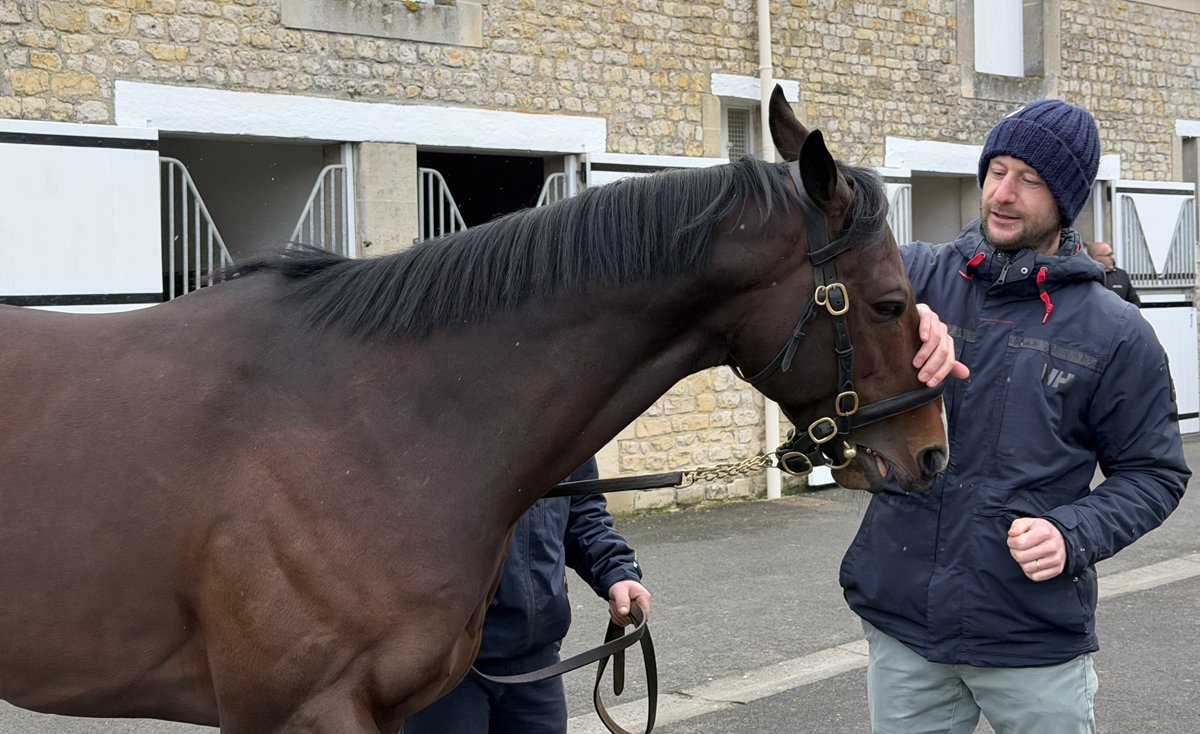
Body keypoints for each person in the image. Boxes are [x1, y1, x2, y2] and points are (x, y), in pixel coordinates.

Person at [840, 99, 1190, 734]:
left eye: (1029, 179)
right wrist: (904, 319)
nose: (1002, 193)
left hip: (1030, 636)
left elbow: (1154, 473)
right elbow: (821, 319)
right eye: (996, 171)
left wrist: (1072, 533)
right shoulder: (912, 276)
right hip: (905, 626)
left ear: (1066, 199)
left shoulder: (1116, 331)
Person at [404, 457, 650, 734]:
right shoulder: (427, 431)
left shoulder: (561, 432)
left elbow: (583, 512)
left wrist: (617, 572)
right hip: (446, 667)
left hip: (537, 662)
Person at [1086, 239, 1141, 305]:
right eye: (1108, 255)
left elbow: (1134, 301)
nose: (1112, 258)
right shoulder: (1086, 276)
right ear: (1096, 257)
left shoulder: (1122, 275)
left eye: (1112, 254)